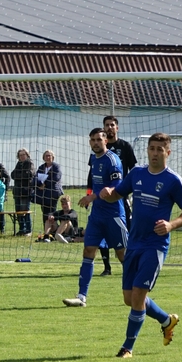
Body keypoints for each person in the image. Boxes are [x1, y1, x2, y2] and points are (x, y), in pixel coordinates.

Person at [100, 133, 182, 358]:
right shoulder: (137, 174)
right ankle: (166, 320)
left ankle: (127, 347)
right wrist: (108, 194)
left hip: (155, 245)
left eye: (160, 149)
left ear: (167, 153)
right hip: (134, 243)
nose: (155, 153)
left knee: (138, 296)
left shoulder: (173, 180)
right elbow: (118, 194)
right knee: (129, 298)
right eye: (152, 148)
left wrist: (171, 225)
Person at [63, 129, 127, 308]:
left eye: (99, 139)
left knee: (122, 254)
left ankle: (137, 289)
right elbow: (95, 183)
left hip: (114, 214)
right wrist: (90, 195)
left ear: (106, 141)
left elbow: (117, 186)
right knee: (88, 250)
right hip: (97, 215)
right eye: (92, 140)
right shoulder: (94, 159)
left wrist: (93, 196)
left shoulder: (112, 160)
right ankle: (81, 296)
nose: (95, 143)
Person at [99, 116, 138, 276]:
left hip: (122, 195)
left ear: (117, 128)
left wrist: (133, 189)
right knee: (101, 229)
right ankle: (107, 267)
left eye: (112, 125)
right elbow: (91, 173)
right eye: (107, 125)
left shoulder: (125, 146)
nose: (109, 127)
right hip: (102, 196)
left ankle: (129, 265)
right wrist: (89, 193)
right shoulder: (100, 147)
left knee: (126, 229)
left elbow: (133, 169)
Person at [10, 148, 35, 236]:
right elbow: (12, 175)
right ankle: (21, 229)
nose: (22, 156)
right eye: (20, 155)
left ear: (27, 155)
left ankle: (28, 230)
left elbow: (29, 174)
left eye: (23, 154)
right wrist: (20, 175)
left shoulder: (29, 163)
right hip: (17, 192)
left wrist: (19, 175)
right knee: (18, 211)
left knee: (25, 211)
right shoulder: (18, 164)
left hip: (25, 192)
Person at [35, 151, 63, 221]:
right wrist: (39, 184)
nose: (48, 157)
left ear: (52, 157)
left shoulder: (56, 167)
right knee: (44, 212)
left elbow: (56, 178)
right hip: (43, 194)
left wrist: (45, 184)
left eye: (49, 156)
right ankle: (46, 227)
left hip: (53, 193)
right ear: (43, 158)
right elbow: (36, 177)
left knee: (51, 212)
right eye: (46, 156)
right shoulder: (41, 167)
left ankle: (53, 227)